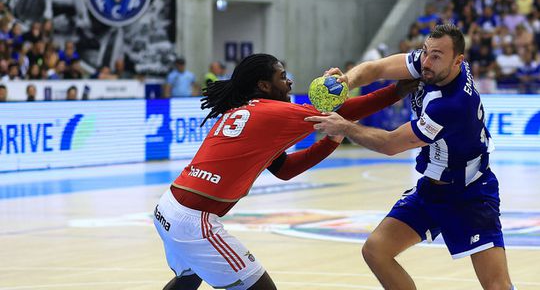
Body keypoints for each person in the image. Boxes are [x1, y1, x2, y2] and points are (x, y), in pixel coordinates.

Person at [153, 53, 415, 290]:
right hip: (193, 220)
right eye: (282, 77)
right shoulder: (274, 112)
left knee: (186, 280)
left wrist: (332, 139)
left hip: (168, 207)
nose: (289, 82)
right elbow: (342, 110)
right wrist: (396, 91)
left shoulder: (243, 111)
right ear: (264, 86)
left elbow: (285, 170)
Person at [305, 24, 515, 290]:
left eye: (436, 56)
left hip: (470, 193)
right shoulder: (431, 66)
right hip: (432, 189)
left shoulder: (452, 106)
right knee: (375, 250)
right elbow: (376, 69)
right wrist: (346, 81)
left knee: (497, 285)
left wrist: (345, 126)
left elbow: (391, 145)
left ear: (458, 61)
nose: (425, 61)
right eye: (425, 51)